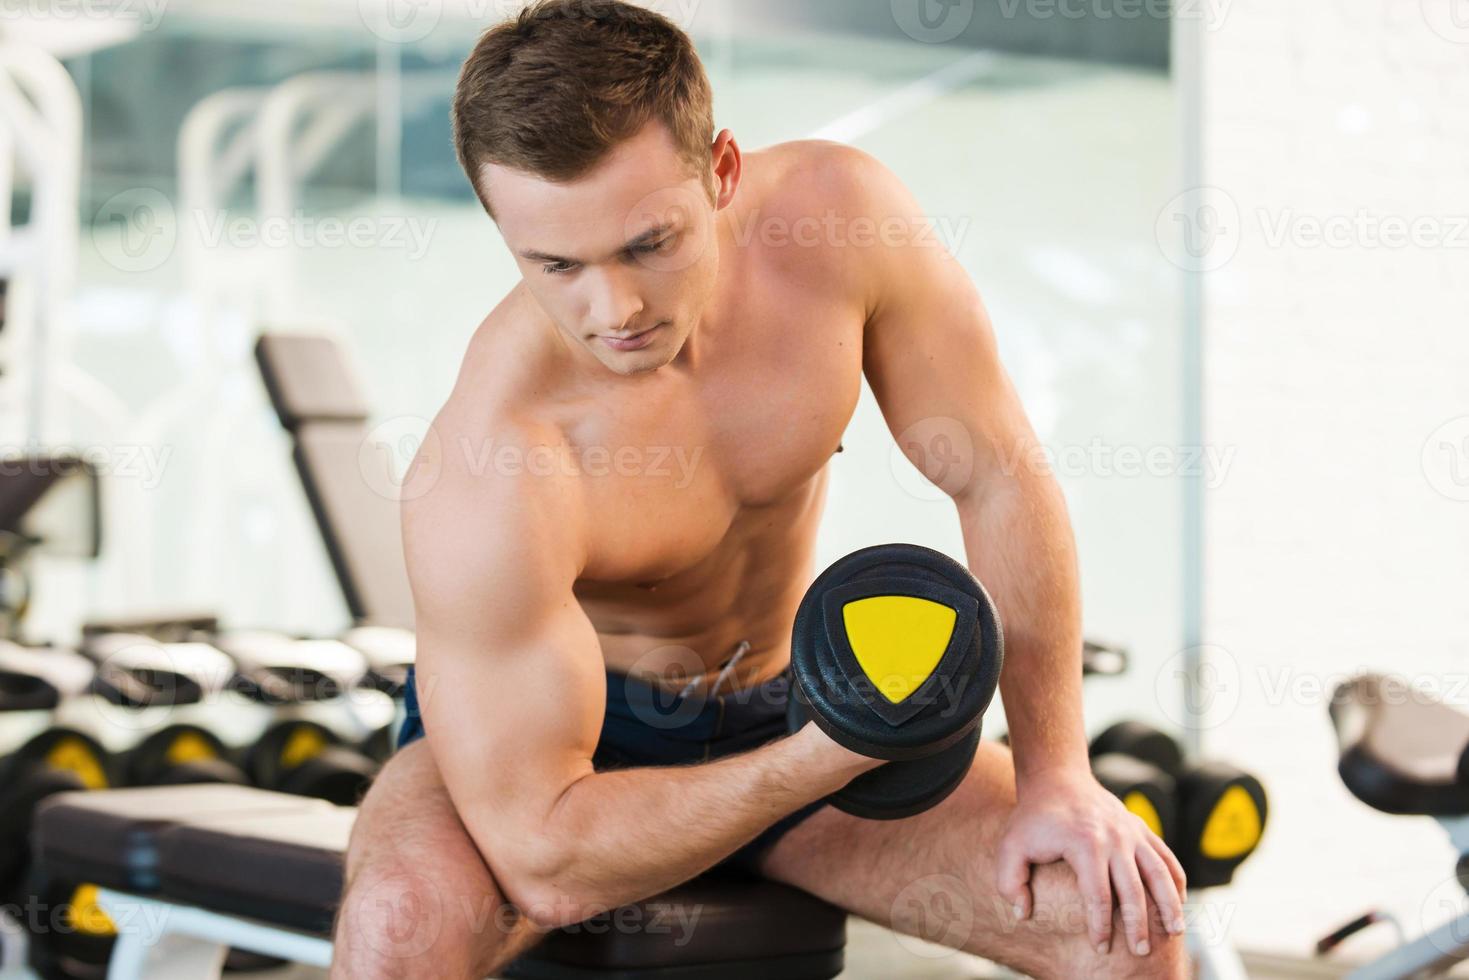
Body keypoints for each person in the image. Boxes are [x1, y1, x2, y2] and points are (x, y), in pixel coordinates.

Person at [331, 2, 1187, 977]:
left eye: (648, 243)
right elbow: (548, 855)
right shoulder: (495, 456)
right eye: (555, 265)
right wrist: (831, 751)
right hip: (554, 752)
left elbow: (998, 476)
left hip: (779, 701)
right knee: (402, 918)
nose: (613, 308)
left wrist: (1055, 776)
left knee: (1121, 916)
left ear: (722, 171)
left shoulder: (838, 222)